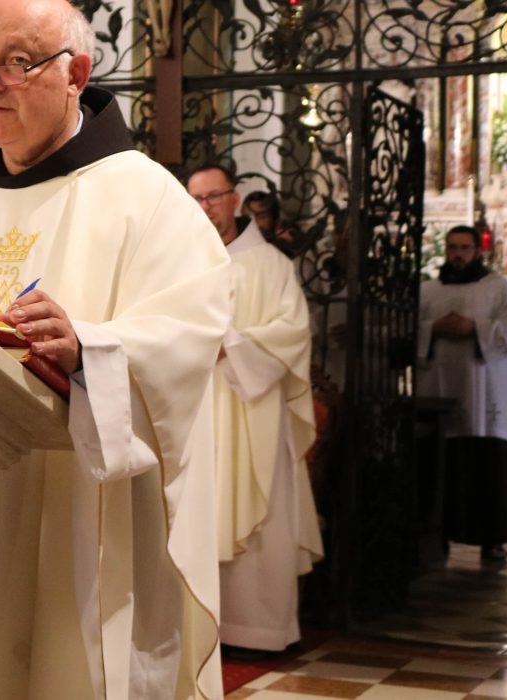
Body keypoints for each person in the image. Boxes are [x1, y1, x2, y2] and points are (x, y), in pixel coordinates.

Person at [0, 1, 230, 696]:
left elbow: (192, 331)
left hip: (83, 513)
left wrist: (91, 348)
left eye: (17, 62)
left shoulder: (145, 196)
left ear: (76, 74)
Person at [188, 164, 323, 654]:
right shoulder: (184, 262)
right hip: (198, 408)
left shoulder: (271, 264)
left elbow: (293, 330)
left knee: (261, 513)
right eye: (196, 199)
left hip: (254, 406)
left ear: (235, 199)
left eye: (213, 197)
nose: (205, 208)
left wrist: (233, 345)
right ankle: (201, 628)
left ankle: (259, 630)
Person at [416, 225, 507, 562]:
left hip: (483, 392)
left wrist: (475, 328)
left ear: (476, 251)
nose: (458, 254)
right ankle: (435, 536)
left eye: (464, 248)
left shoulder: (496, 288)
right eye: (452, 247)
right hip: (437, 386)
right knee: (439, 460)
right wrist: (433, 329)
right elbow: (403, 328)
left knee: (485, 463)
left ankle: (491, 538)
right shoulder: (427, 290)